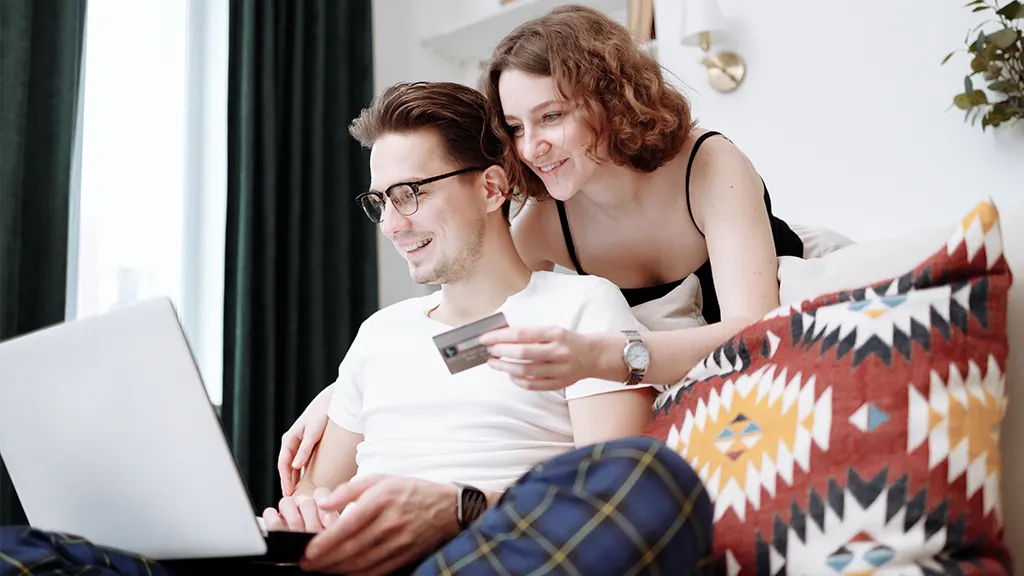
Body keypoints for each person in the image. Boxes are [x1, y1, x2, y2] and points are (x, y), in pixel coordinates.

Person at [277, 4, 851, 490]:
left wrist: (604, 357)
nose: (533, 147)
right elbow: (488, 323)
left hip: (770, 302)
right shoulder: (551, 217)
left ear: (611, 99)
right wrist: (349, 385)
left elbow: (756, 330)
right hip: (649, 351)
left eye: (550, 117)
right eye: (517, 127)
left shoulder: (707, 164)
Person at [260, 80, 711, 576]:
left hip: (489, 553)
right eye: (380, 202)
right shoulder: (380, 334)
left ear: (492, 188)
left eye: (409, 194)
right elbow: (310, 497)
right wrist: (302, 518)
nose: (390, 225)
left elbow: (612, 494)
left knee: (655, 479)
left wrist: (459, 510)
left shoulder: (579, 307)